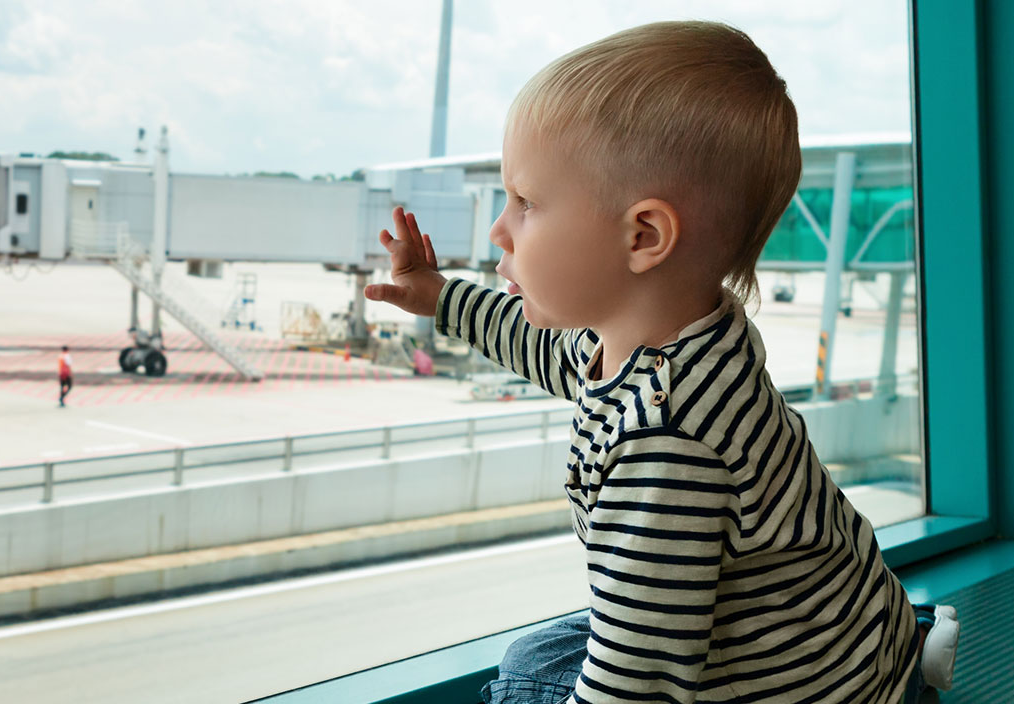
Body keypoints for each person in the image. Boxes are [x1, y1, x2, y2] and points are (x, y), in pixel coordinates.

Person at [363, 21, 958, 704]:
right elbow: (542, 346)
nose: (500, 229)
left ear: (643, 235)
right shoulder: (682, 337)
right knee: (534, 654)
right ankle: (907, 658)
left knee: (526, 682)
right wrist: (439, 295)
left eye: (526, 204)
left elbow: (637, 684)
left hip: (807, 687)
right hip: (839, 635)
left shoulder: (667, 444)